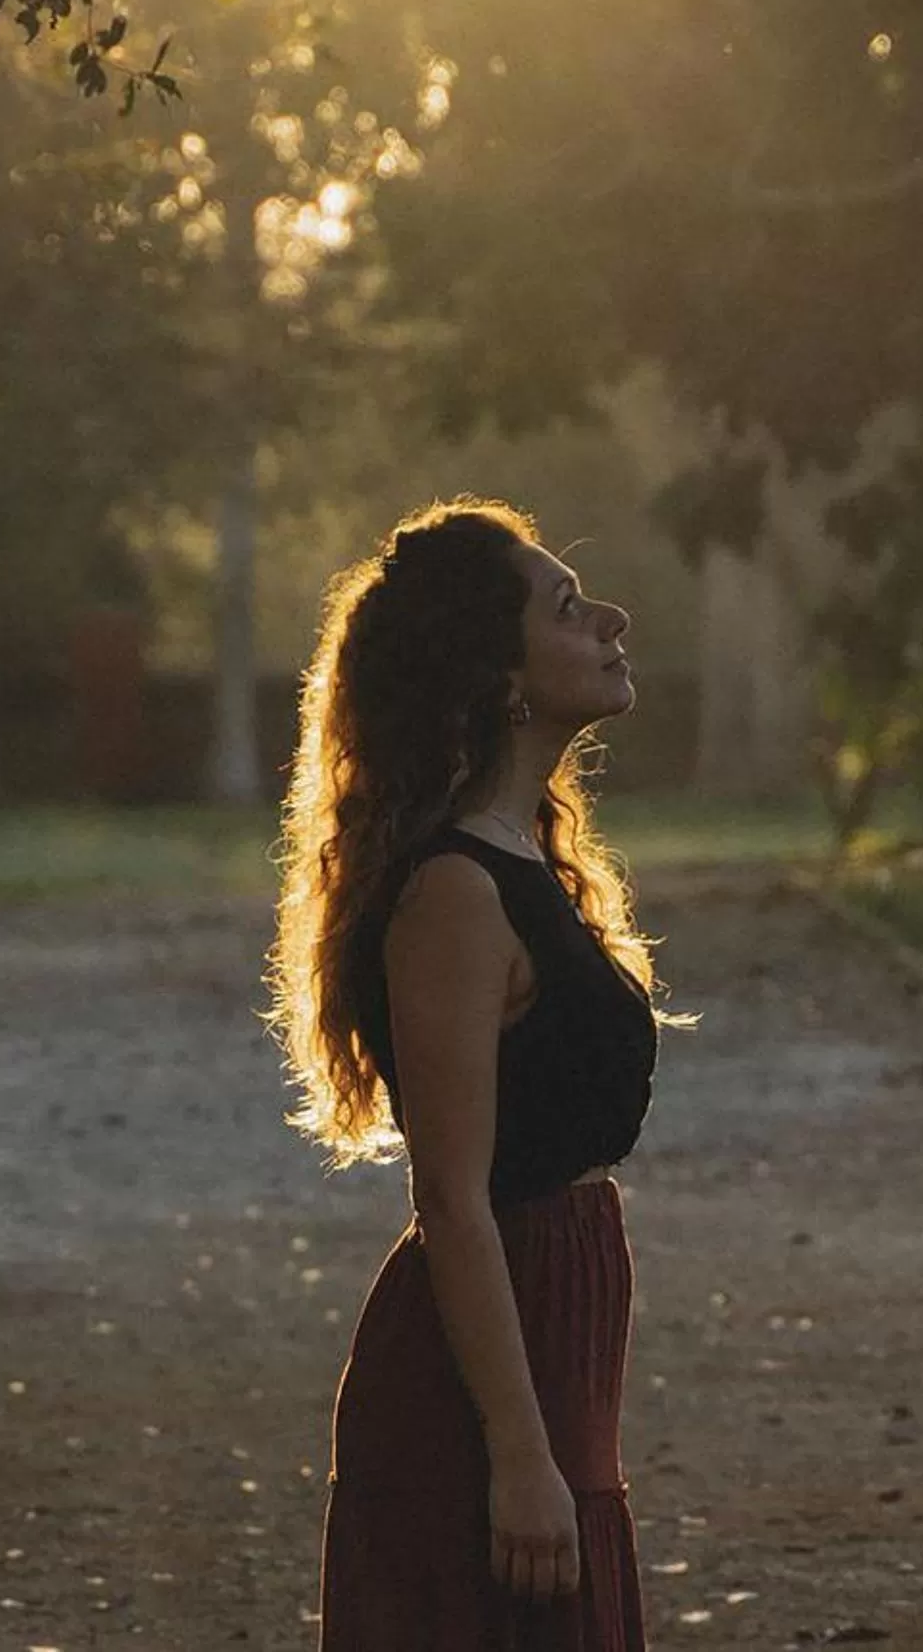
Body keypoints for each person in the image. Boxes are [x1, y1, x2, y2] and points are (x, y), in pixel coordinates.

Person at [268, 499, 670, 1651]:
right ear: (499, 671)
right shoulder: (455, 891)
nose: (611, 616)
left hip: (553, 1343)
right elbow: (450, 1194)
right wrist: (521, 1453)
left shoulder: (525, 860)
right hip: (481, 1390)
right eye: (566, 605)